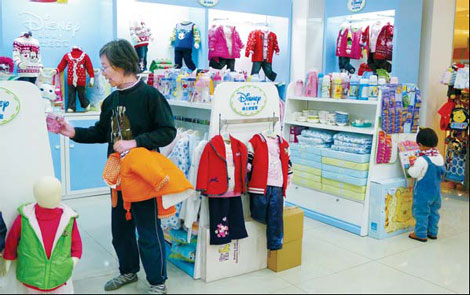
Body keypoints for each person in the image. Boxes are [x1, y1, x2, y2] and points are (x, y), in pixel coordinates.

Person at [57, 39, 176, 294]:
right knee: (120, 229)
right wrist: (72, 131)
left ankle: (157, 282)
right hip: (118, 177)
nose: (103, 73)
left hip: (143, 177)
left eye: (106, 67)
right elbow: (102, 132)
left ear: (123, 65)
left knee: (147, 230)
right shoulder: (111, 101)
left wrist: (136, 142)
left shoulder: (150, 96)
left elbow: (167, 131)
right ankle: (128, 271)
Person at [407, 128, 445, 242]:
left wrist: (410, 167)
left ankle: (420, 234)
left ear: (420, 144)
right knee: (434, 212)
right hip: (436, 192)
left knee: (421, 213)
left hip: (423, 194)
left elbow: (414, 173)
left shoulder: (421, 160)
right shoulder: (439, 156)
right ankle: (433, 232)